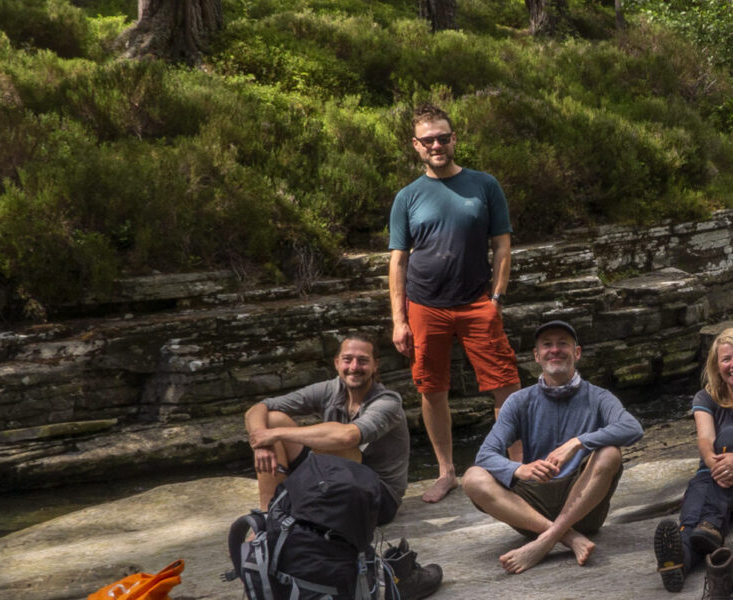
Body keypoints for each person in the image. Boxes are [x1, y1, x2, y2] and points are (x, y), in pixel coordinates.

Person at [389, 103, 523, 504]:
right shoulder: (408, 197)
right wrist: (399, 320)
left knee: (506, 385)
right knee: (431, 388)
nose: (437, 145)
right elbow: (398, 261)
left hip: (476, 301)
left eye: (443, 137)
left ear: (454, 139)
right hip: (425, 304)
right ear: (416, 145)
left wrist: (496, 298)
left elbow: (502, 245)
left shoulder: (484, 185)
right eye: (428, 139)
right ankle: (447, 471)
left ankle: (513, 466)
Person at [461, 320, 644, 574]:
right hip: (530, 509)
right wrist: (518, 470)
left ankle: (544, 542)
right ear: (537, 355)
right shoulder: (519, 401)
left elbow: (633, 428)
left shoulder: (599, 397)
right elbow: (485, 455)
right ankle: (566, 537)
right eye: (547, 345)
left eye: (563, 344)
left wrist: (578, 442)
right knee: (472, 478)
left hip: (584, 507)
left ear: (576, 353)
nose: (554, 350)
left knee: (610, 453)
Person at [653, 328, 733, 593]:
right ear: (717, 365)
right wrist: (717, 467)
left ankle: (712, 521)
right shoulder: (706, 397)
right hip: (713, 478)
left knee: (732, 436)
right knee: (692, 525)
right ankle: (678, 564)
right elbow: (705, 441)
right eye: (726, 359)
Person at [244, 336, 410, 513]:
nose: (354, 367)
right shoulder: (330, 389)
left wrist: (276, 434)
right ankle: (268, 516)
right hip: (334, 476)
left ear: (375, 365)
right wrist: (260, 440)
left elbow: (347, 437)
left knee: (331, 441)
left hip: (377, 495)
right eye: (347, 360)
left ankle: (290, 510)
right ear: (337, 363)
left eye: (363, 361)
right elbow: (258, 408)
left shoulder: (388, 402)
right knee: (271, 420)